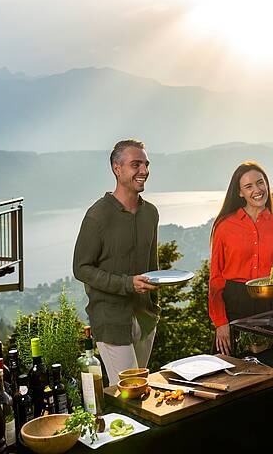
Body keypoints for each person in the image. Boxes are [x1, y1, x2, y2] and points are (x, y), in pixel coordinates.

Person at [73, 139, 160, 385]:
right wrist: (127, 284)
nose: (144, 171)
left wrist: (154, 306)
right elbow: (81, 268)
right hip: (111, 319)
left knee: (140, 390)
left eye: (145, 164)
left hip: (145, 317)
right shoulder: (97, 215)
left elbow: (152, 265)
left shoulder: (150, 213)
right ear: (117, 168)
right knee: (129, 390)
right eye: (136, 164)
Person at [209, 162, 273, 355]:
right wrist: (220, 323)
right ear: (239, 193)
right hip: (236, 304)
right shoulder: (224, 226)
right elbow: (216, 279)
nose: (257, 190)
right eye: (249, 186)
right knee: (234, 370)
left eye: (260, 183)